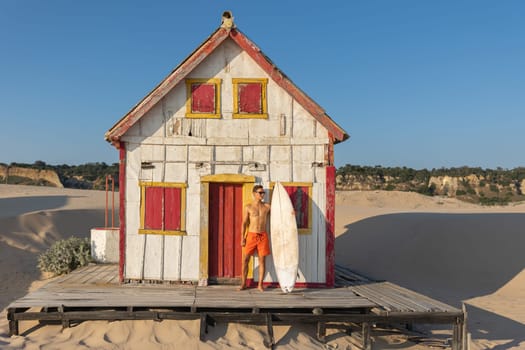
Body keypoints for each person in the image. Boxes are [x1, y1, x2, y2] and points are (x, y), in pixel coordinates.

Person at [238, 184, 271, 292]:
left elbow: (280, 212)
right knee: (245, 260)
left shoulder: (267, 206)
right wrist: (242, 238)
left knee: (262, 261)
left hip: (263, 235)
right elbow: (244, 223)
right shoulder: (248, 207)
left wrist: (291, 212)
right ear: (254, 194)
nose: (262, 195)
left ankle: (260, 285)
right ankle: (243, 284)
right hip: (251, 235)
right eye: (260, 193)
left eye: (263, 193)